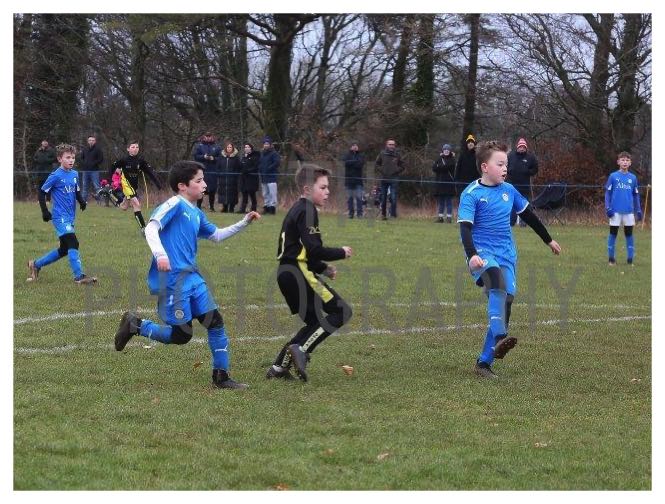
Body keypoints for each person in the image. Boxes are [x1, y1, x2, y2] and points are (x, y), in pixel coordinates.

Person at [114, 160, 261, 389]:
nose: (205, 185)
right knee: (182, 335)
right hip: (174, 281)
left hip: (193, 278)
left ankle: (221, 376)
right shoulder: (174, 204)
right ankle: (137, 326)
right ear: (182, 186)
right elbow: (151, 228)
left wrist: (244, 222)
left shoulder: (196, 212)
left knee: (215, 322)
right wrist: (161, 255)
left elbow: (217, 236)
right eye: (199, 181)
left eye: (204, 180)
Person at [457, 140, 561, 379]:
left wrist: (548, 240)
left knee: (506, 301)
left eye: (506, 164)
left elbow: (530, 216)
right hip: (482, 253)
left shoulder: (509, 191)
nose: (505, 168)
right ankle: (501, 336)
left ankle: (484, 363)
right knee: (496, 282)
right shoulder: (472, 194)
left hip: (506, 254)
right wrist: (472, 255)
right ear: (485, 167)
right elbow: (465, 228)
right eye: (500, 164)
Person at [266, 164, 353, 382]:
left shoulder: (298, 208)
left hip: (286, 273)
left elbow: (303, 250)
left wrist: (323, 268)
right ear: (307, 189)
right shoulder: (307, 210)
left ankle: (278, 369)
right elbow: (314, 249)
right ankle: (301, 349)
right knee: (342, 311)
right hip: (298, 273)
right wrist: (341, 252)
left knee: (314, 322)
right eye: (322, 187)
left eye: (327, 187)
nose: (327, 192)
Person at [26, 143, 97, 285]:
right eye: (68, 157)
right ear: (60, 159)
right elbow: (41, 193)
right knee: (73, 242)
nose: (71, 160)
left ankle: (36, 264)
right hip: (59, 216)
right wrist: (45, 211)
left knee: (64, 249)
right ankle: (79, 276)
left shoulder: (74, 174)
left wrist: (81, 201)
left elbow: (76, 190)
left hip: (70, 217)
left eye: (73, 157)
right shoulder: (55, 175)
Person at [109, 140, 162, 233]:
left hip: (134, 187)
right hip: (126, 185)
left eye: (137, 147)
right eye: (133, 147)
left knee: (124, 207)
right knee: (136, 204)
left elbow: (150, 172)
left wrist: (158, 183)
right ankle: (143, 229)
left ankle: (110, 194)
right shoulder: (123, 160)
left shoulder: (141, 161)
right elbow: (112, 167)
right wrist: (109, 180)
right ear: (128, 149)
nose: (135, 149)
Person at [605, 151, 642, 266]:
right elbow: (607, 193)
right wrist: (608, 208)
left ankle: (630, 261)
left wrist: (638, 209)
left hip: (628, 212)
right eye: (622, 160)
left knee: (629, 235)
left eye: (627, 160)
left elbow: (636, 195)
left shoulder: (633, 178)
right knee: (613, 234)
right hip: (615, 211)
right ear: (618, 162)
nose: (625, 162)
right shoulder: (613, 176)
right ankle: (611, 260)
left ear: (630, 163)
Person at [507, 137, 539, 227]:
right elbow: (505, 166)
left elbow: (535, 169)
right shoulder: (510, 156)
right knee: (512, 205)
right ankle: (511, 223)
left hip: (525, 187)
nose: (522, 148)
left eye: (523, 147)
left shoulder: (530, 157)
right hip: (512, 186)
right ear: (517, 147)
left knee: (525, 206)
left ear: (526, 148)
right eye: (520, 147)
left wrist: (528, 172)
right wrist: (509, 171)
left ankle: (524, 223)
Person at [375, 138, 405, 220]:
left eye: (393, 144)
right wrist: (382, 170)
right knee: (383, 198)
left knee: (393, 197)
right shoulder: (382, 153)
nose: (392, 146)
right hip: (384, 178)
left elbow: (402, 166)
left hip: (394, 178)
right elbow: (377, 164)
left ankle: (393, 215)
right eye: (390, 144)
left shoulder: (397, 154)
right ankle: (383, 215)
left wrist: (396, 170)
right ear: (386, 145)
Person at [193, 133, 221, 211]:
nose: (208, 138)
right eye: (207, 136)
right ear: (204, 137)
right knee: (201, 189)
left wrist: (213, 158)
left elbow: (220, 158)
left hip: (213, 172)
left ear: (212, 137)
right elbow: (195, 156)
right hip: (202, 171)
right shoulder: (199, 146)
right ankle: (198, 207)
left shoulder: (217, 147)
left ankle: (212, 207)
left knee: (212, 190)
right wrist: (203, 157)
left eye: (209, 136)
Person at [432, 143, 456, 223]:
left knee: (449, 201)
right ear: (443, 150)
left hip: (449, 183)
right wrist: (440, 167)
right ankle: (440, 217)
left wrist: (439, 167)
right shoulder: (439, 158)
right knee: (441, 201)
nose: (446, 151)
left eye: (448, 149)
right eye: (445, 149)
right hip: (440, 183)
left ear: (450, 151)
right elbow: (434, 168)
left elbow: (447, 167)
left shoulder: (452, 159)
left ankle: (449, 218)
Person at [342, 141, 366, 219]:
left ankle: (359, 214)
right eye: (353, 145)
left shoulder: (361, 155)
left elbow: (360, 164)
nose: (355, 147)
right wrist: (355, 161)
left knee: (359, 198)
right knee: (350, 198)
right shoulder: (347, 155)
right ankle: (351, 214)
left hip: (358, 180)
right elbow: (346, 163)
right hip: (349, 180)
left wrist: (351, 163)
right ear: (351, 147)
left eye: (356, 146)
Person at [259, 136, 280, 215]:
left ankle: (272, 208)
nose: (266, 145)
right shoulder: (262, 154)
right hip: (264, 177)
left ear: (270, 145)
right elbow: (260, 163)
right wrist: (260, 169)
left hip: (272, 177)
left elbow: (276, 163)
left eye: (267, 144)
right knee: (265, 193)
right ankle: (266, 207)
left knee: (272, 193)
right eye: (265, 144)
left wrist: (269, 168)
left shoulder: (274, 153)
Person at [79, 135, 104, 202]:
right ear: (88, 141)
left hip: (94, 171)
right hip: (85, 171)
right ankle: (83, 201)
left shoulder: (98, 149)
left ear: (95, 141)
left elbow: (101, 159)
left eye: (93, 140)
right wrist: (84, 163)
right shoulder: (84, 149)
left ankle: (100, 201)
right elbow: (81, 158)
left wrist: (93, 163)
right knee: (85, 187)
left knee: (97, 186)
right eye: (90, 140)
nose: (91, 141)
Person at [237, 142, 260, 213]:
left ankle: (253, 209)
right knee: (244, 194)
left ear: (251, 148)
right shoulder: (244, 157)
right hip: (244, 178)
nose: (246, 148)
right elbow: (241, 166)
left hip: (252, 178)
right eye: (245, 147)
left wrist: (248, 171)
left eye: (248, 147)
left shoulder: (255, 156)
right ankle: (242, 209)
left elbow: (256, 167)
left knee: (252, 194)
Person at [218, 141, 240, 213]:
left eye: (230, 147)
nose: (229, 148)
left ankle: (231, 208)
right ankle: (224, 207)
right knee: (223, 193)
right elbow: (218, 167)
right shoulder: (221, 157)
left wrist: (234, 175)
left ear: (232, 148)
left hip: (232, 179)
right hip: (223, 179)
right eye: (228, 147)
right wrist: (220, 174)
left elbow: (238, 168)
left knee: (232, 193)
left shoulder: (236, 158)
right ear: (226, 148)